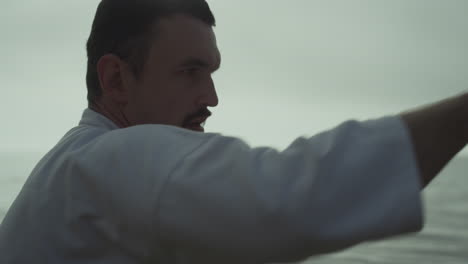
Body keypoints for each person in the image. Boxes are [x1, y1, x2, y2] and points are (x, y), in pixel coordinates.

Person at [0, 0, 466, 263]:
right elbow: (289, 202)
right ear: (117, 79)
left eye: (212, 72)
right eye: (189, 71)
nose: (212, 98)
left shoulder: (68, 170)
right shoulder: (110, 161)